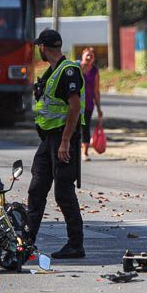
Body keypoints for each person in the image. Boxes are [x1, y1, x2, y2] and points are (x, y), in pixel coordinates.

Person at [27, 28, 86, 259]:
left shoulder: (68, 71)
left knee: (63, 192)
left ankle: (75, 244)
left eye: (38, 47)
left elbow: (74, 107)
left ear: (43, 47)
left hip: (64, 138)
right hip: (49, 139)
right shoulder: (51, 73)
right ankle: (27, 240)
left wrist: (64, 142)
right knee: (36, 188)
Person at [79, 47, 103, 160]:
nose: (89, 57)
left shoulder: (94, 71)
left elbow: (96, 90)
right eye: (87, 55)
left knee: (85, 127)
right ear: (82, 55)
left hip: (88, 104)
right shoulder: (75, 67)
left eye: (91, 56)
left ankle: (85, 152)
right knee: (72, 127)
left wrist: (99, 108)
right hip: (73, 104)